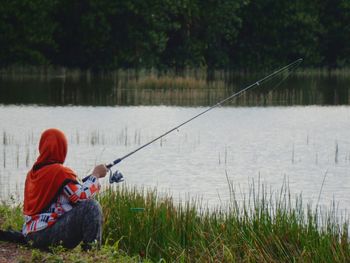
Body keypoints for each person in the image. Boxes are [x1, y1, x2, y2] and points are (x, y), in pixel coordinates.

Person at [22, 128, 108, 250]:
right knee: (92, 206)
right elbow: (81, 197)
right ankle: (92, 252)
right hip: (46, 236)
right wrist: (96, 175)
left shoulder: (32, 173)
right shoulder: (60, 172)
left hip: (29, 236)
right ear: (62, 148)